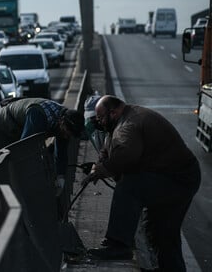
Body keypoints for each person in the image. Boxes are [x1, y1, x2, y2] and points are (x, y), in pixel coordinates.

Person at [85, 95, 201, 271]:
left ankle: (119, 245)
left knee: (130, 187)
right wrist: (102, 161)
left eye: (100, 118)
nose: (99, 122)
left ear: (113, 112)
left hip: (179, 178)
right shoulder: (122, 119)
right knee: (161, 230)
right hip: (176, 176)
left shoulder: (128, 124)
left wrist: (102, 169)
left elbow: (127, 155)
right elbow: (110, 144)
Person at [0, 97, 85, 193]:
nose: (66, 136)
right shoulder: (38, 116)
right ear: (62, 122)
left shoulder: (63, 122)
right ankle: (2, 207)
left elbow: (61, 154)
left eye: (70, 135)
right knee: (3, 172)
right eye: (67, 132)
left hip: (15, 131)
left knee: (17, 177)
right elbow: (25, 149)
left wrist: (60, 178)